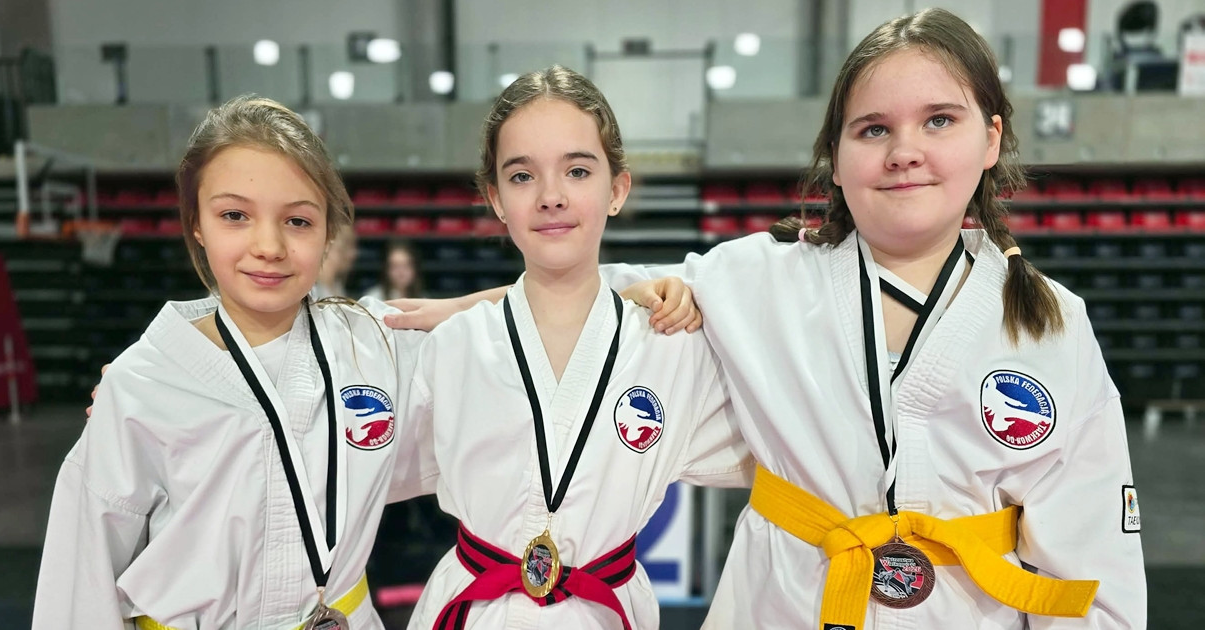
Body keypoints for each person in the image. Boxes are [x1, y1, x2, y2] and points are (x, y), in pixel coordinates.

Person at [388, 9, 1146, 629]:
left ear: (990, 138)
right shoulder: (763, 276)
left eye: (939, 121)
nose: (904, 152)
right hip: (785, 600)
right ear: (836, 157)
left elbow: (1093, 554)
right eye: (873, 129)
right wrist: (468, 307)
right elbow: (582, 288)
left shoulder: (1052, 323)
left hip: (969, 611)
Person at [35, 95, 424, 629]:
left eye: (298, 220)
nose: (268, 245)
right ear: (196, 223)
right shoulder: (142, 385)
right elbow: (80, 584)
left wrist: (456, 307)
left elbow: (526, 331)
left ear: (329, 231)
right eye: (235, 215)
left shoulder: (375, 346)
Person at [390, 66, 752, 630]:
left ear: (617, 190)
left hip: (603, 610)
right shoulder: (450, 345)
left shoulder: (672, 345)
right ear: (495, 198)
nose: (551, 197)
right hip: (473, 609)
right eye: (522, 176)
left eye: (578, 171)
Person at [315, 222, 358, 298]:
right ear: (328, 245)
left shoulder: (337, 286)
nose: (353, 254)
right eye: (348, 245)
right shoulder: (311, 290)